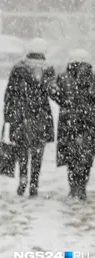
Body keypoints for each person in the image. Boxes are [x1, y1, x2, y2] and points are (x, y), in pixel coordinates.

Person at [3, 38, 55, 197]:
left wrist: (8, 115)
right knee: (38, 152)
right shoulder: (48, 69)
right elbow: (53, 93)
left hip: (21, 115)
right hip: (40, 115)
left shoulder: (18, 68)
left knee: (22, 150)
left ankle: (23, 177)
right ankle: (34, 183)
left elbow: (9, 93)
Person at [48, 49, 95, 200]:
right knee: (85, 157)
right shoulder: (92, 79)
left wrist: (65, 103)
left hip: (68, 122)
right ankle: (82, 187)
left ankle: (73, 187)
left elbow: (52, 90)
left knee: (71, 156)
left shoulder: (63, 77)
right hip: (89, 122)